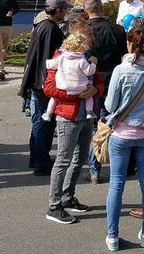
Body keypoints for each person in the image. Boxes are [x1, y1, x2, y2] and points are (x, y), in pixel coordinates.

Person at [104, 27, 144, 250]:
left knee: (116, 184)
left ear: (130, 44)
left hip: (121, 133)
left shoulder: (121, 70)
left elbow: (110, 105)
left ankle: (112, 236)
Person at [41, 45, 102, 225]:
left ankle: (68, 197)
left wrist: (95, 90)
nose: (89, 40)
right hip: (67, 116)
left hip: (87, 116)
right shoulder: (60, 58)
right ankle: (54, 206)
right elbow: (49, 88)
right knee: (63, 160)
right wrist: (76, 93)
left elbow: (98, 81)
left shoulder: (88, 56)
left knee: (80, 157)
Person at [21, 0, 71, 176]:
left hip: (37, 81)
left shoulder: (42, 26)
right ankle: (41, 161)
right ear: (57, 10)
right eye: (64, 9)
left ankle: (36, 157)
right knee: (45, 122)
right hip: (44, 83)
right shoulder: (50, 29)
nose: (65, 12)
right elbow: (50, 59)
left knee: (38, 121)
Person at [83, 0, 127, 184]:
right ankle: (121, 165)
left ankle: (94, 169)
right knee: (116, 125)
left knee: (97, 127)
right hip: (115, 82)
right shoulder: (117, 30)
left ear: (87, 10)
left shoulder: (84, 31)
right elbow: (125, 56)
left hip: (93, 83)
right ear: (101, 8)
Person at [42, 34, 98, 121]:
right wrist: (93, 64)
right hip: (80, 87)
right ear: (82, 48)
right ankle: (89, 112)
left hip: (63, 86)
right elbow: (89, 71)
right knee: (88, 96)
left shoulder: (61, 57)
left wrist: (48, 63)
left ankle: (49, 113)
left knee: (54, 98)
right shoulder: (81, 60)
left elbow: (51, 65)